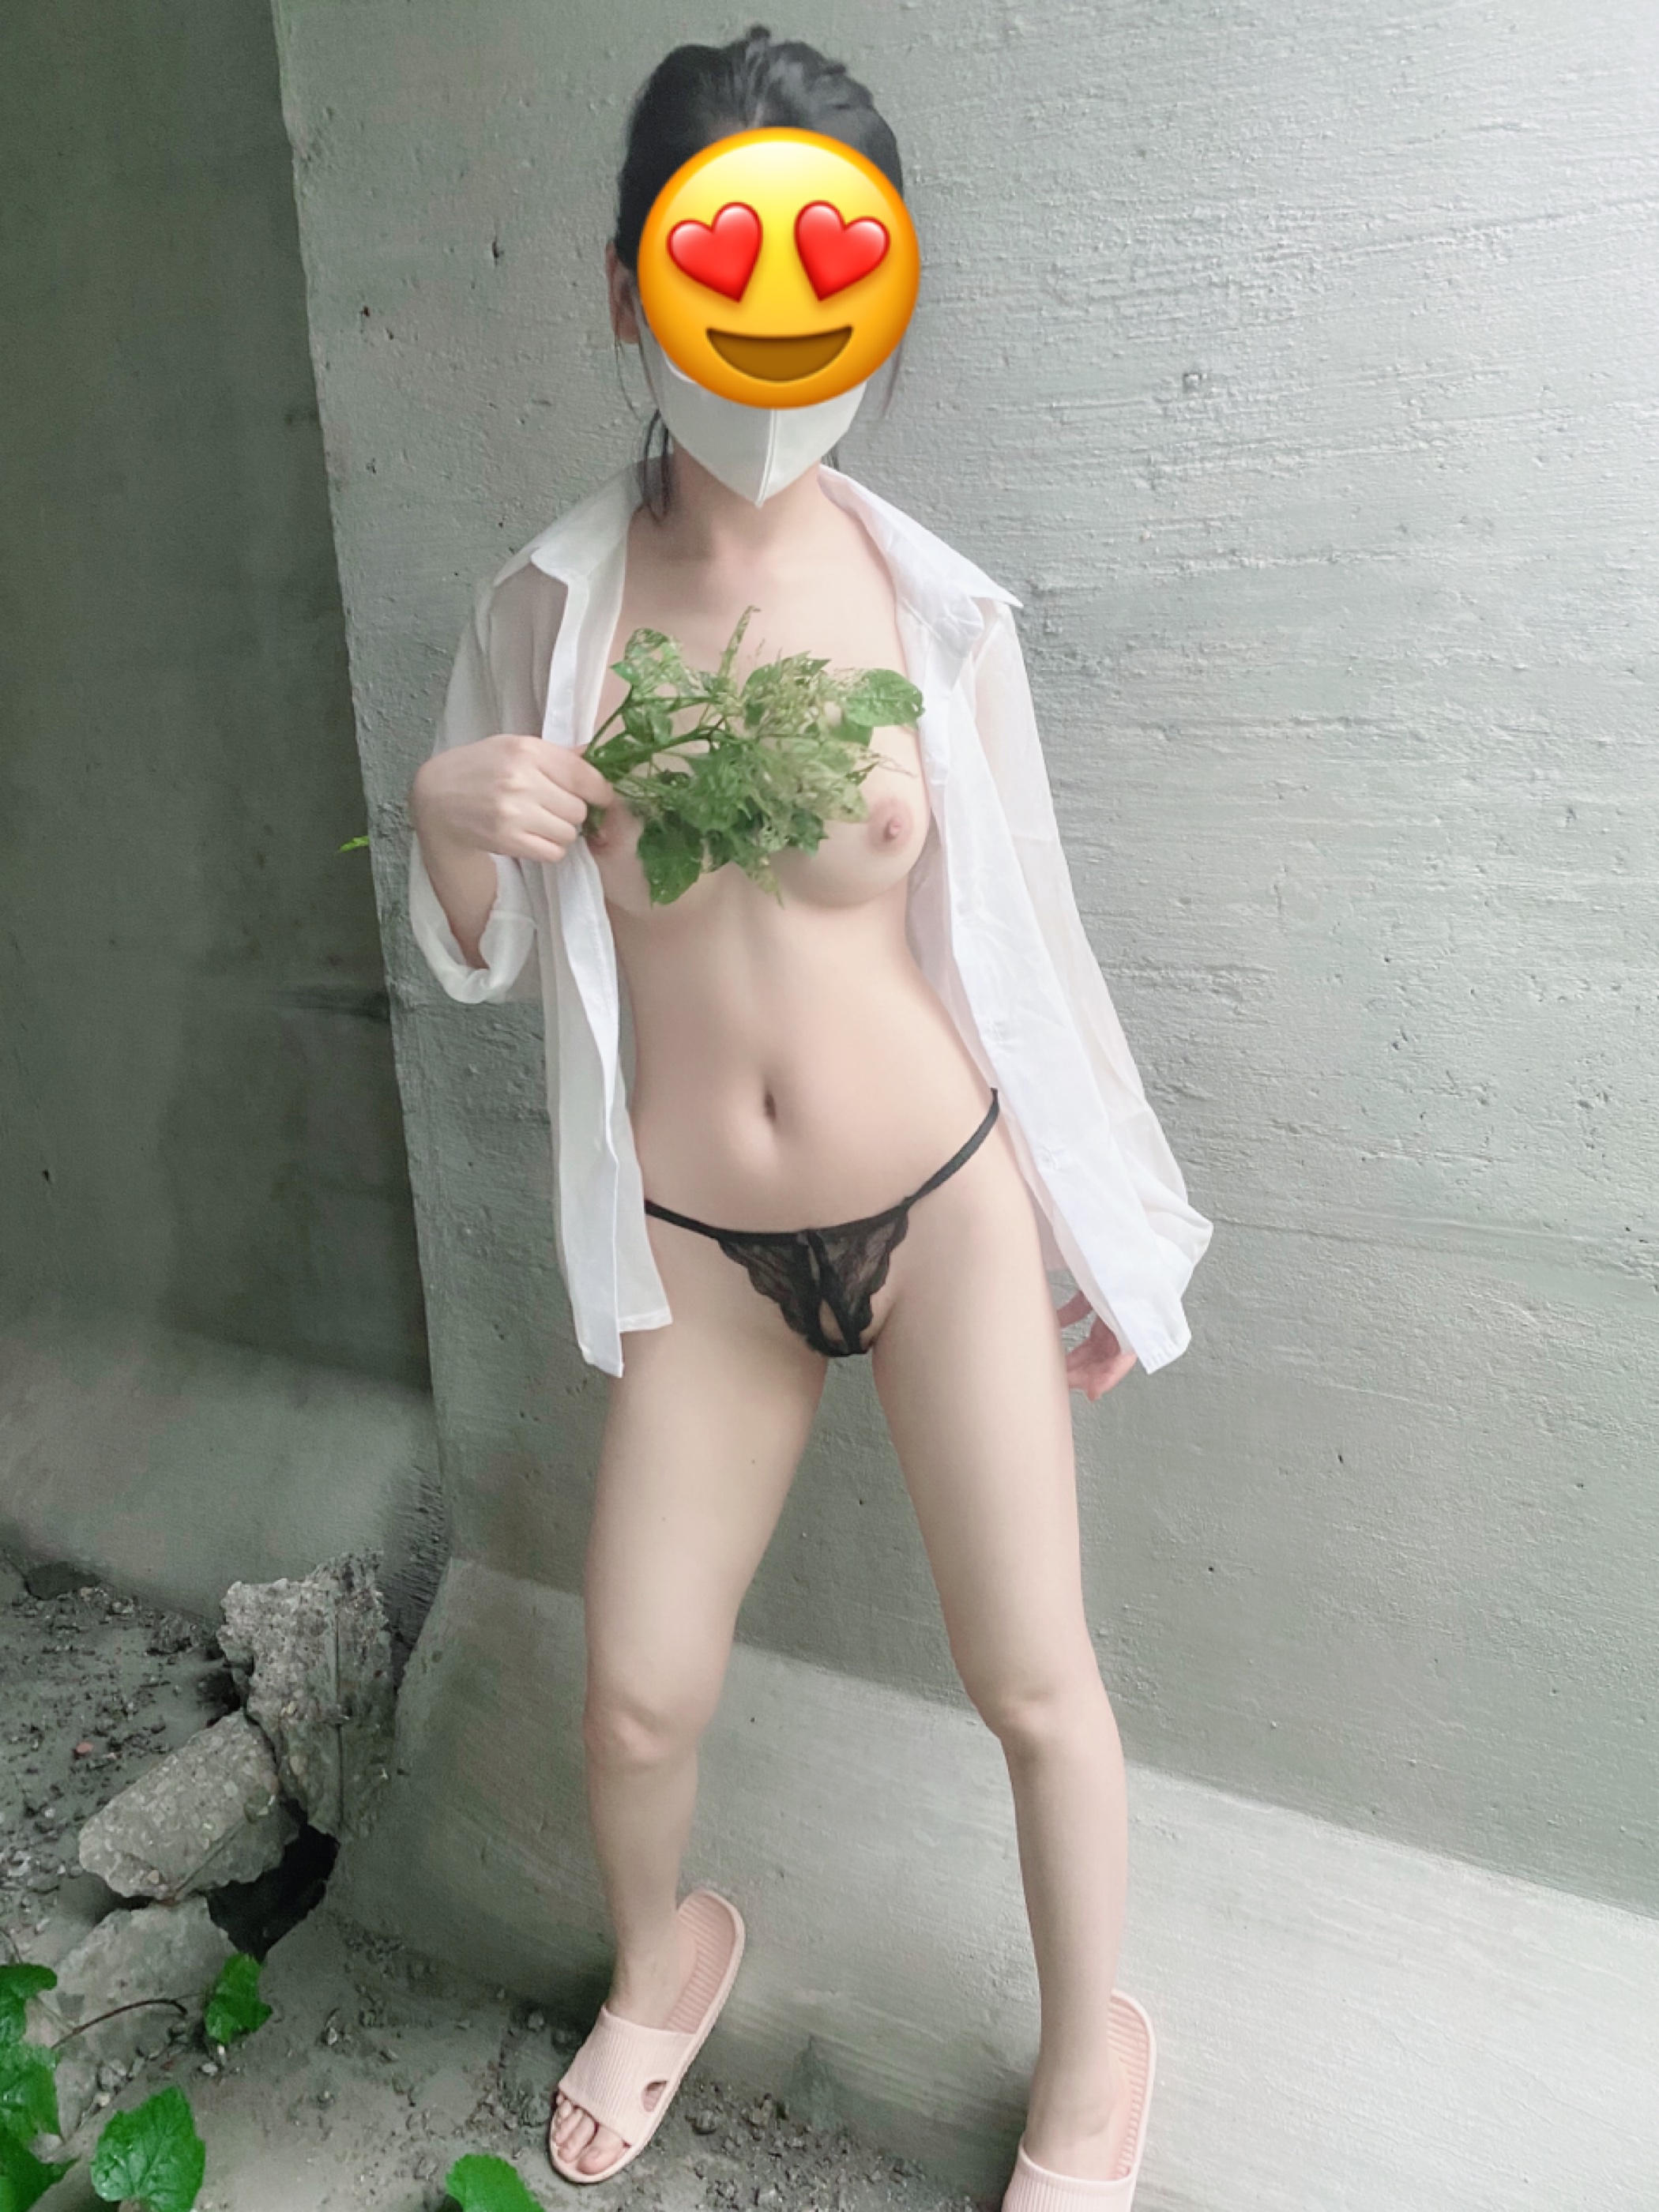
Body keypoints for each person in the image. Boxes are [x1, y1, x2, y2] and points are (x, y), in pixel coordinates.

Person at [407, 26, 1211, 2204]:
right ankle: (663, 1953)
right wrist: (452, 809)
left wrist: (1099, 1235)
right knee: (635, 1697)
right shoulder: (542, 613)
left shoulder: (931, 608)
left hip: (942, 1208)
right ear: (626, 287)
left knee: (1030, 1681)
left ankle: (1090, 2062)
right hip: (701, 1250)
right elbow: (482, 948)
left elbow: (1031, 948)